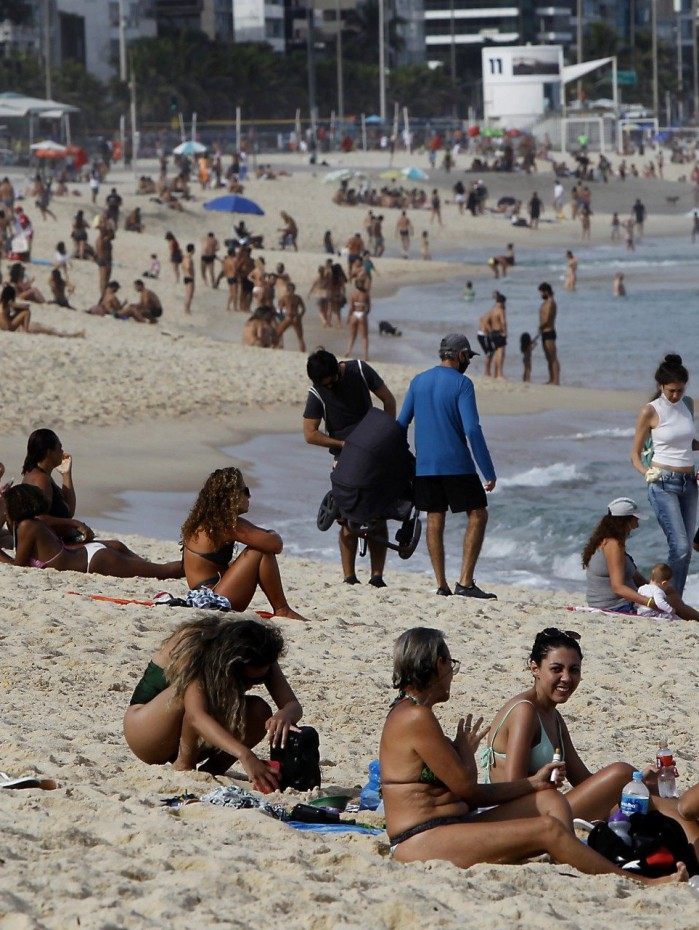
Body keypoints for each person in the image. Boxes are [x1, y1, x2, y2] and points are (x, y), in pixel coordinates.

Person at [379, 627, 687, 883]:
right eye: (451, 666)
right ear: (437, 664)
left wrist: (534, 783)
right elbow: (468, 791)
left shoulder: (417, 714)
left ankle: (578, 852)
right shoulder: (415, 718)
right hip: (421, 837)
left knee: (552, 799)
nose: (452, 676)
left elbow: (464, 790)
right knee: (549, 826)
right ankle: (644, 880)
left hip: (453, 824)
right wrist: (467, 755)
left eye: (574, 670)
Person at [481, 627, 699, 848]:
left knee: (629, 801)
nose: (566, 678)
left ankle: (691, 835)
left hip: (540, 808)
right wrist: (627, 782)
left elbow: (583, 780)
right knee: (620, 775)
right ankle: (687, 816)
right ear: (535, 668)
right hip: (516, 817)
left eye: (574, 670)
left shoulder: (552, 716)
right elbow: (511, 787)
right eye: (556, 669)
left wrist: (639, 781)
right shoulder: (525, 711)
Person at [123, 615, 302, 786]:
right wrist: (245, 755)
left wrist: (285, 715)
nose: (249, 686)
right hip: (146, 731)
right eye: (244, 680)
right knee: (195, 695)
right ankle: (184, 765)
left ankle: (213, 770)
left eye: (257, 681)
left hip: (187, 729)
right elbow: (195, 715)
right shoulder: (202, 647)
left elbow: (292, 704)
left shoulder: (261, 652)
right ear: (231, 663)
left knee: (260, 710)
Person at [398, 335, 496, 599]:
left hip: (425, 466)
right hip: (457, 464)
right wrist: (488, 470)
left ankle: (441, 583)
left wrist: (404, 458)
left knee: (434, 517)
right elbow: (472, 429)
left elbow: (401, 423)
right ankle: (465, 581)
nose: (469, 363)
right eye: (468, 357)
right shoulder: (463, 384)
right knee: (478, 514)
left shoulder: (418, 381)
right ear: (461, 355)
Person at [303, 349, 396, 586]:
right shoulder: (317, 392)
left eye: (332, 382)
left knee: (378, 514)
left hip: (373, 451)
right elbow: (310, 434)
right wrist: (342, 444)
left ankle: (377, 576)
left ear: (338, 369)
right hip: (344, 457)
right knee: (346, 518)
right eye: (324, 384)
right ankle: (349, 576)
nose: (330, 387)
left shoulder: (360, 370)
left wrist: (388, 433)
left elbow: (388, 399)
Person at [181, 466, 306, 620]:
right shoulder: (227, 525)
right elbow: (274, 545)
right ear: (231, 496)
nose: (249, 496)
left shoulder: (204, 523)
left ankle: (282, 609)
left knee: (258, 549)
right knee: (259, 551)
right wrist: (272, 533)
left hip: (203, 598)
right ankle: (282, 609)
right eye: (245, 491)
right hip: (215, 601)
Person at [2, 484, 183, 579]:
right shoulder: (32, 524)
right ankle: (196, 566)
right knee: (157, 570)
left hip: (94, 561)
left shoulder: (27, 526)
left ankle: (200, 566)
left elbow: (19, 565)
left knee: (163, 571)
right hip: (90, 555)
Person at [631, 354, 697, 595]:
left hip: (690, 483)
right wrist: (647, 473)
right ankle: (670, 601)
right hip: (662, 483)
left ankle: (671, 600)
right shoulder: (651, 411)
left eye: (680, 390)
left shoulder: (687, 405)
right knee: (679, 546)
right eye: (671, 391)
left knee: (687, 548)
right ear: (661, 386)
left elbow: (686, 443)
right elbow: (635, 455)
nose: (675, 396)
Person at [583, 497, 653, 613]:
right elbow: (618, 587)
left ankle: (694, 619)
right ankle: (694, 620)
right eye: (636, 519)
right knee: (673, 601)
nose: (637, 523)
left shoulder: (605, 540)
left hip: (608, 603)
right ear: (626, 521)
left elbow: (637, 578)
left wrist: (657, 587)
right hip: (616, 606)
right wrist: (649, 602)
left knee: (670, 594)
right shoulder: (613, 545)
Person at [538, 282, 560, 386]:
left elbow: (547, 318)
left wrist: (541, 326)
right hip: (544, 332)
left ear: (546, 291)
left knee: (553, 357)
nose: (541, 295)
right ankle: (551, 378)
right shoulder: (546, 302)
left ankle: (556, 380)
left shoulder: (551, 302)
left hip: (549, 331)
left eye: (541, 293)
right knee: (548, 358)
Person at [276, 282, 306, 352]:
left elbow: (279, 309)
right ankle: (303, 352)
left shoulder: (284, 297)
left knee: (278, 333)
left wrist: (281, 318)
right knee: (300, 338)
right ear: (294, 289)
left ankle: (279, 347)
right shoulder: (298, 297)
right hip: (296, 317)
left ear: (287, 289)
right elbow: (303, 309)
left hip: (288, 317)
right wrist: (300, 316)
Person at [345, 280, 371, 361]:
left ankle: (348, 351)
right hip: (362, 314)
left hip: (354, 314)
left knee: (352, 336)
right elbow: (369, 308)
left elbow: (351, 308)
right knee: (364, 337)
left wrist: (348, 317)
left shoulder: (353, 294)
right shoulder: (366, 294)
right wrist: (365, 314)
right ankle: (365, 355)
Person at [489, 293, 507, 380]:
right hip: (499, 332)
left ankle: (495, 373)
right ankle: (500, 374)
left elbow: (488, 320)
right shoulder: (500, 310)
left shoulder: (492, 310)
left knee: (496, 354)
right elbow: (503, 322)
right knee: (500, 353)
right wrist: (505, 332)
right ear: (502, 302)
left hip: (493, 332)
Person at [182, 243, 195, 315]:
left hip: (186, 277)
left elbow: (183, 266)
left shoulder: (184, 257)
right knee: (189, 295)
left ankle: (186, 308)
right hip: (190, 277)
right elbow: (188, 267)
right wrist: (190, 273)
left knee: (187, 294)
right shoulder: (188, 258)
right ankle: (187, 309)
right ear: (192, 250)